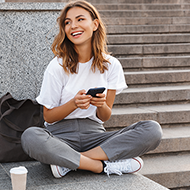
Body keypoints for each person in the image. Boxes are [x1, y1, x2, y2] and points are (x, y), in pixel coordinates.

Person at [21, 0, 162, 178]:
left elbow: (104, 116)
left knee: (152, 130)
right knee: (30, 137)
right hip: (59, 138)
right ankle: (101, 166)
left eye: (80, 19)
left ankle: (69, 162)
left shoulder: (111, 65)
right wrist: (73, 104)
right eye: (67, 22)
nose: (73, 26)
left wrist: (101, 105)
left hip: (95, 136)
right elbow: (48, 116)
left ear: (95, 24)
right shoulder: (57, 66)